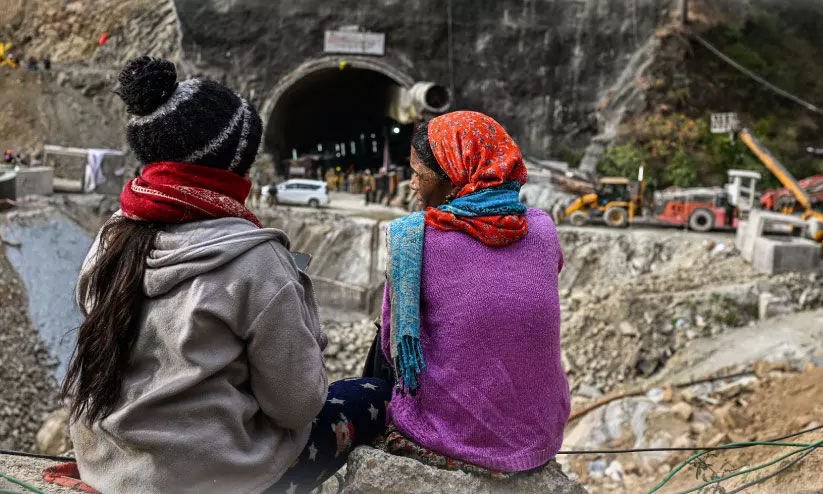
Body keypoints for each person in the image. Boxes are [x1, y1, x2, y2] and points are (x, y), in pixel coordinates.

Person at [62, 57, 391, 494]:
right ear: (231, 165)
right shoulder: (256, 260)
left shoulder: (111, 239)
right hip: (211, 479)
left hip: (106, 468)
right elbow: (296, 407)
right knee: (371, 395)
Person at [380, 111, 569, 476]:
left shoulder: (413, 237)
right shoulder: (543, 228)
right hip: (541, 434)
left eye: (419, 175)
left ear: (454, 181)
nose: (412, 186)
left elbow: (394, 348)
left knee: (370, 383)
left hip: (454, 437)